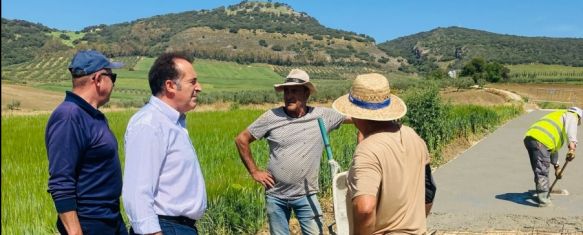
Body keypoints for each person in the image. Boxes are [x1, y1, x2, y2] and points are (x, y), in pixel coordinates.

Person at [235, 69, 350, 235]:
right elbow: (241, 139)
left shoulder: (322, 116)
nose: (288, 95)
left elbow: (358, 119)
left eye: (294, 91)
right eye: (286, 91)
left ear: (306, 93)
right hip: (275, 196)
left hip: (307, 195)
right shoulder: (271, 117)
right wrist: (254, 171)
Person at [332, 73, 436, 234]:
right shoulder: (414, 137)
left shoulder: (367, 150)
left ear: (356, 113)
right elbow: (429, 192)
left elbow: (365, 209)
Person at [123, 52, 206, 234]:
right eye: (192, 82)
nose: (198, 88)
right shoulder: (150, 124)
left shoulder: (171, 123)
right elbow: (137, 192)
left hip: (178, 227)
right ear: (170, 86)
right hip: (165, 227)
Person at [46, 50, 127, 235]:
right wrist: (75, 232)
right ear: (98, 79)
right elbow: (61, 182)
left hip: (110, 219)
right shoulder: (69, 117)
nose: (114, 83)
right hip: (90, 223)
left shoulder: (92, 116)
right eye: (112, 77)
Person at [524, 106, 581, 207]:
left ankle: (542, 195)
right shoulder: (572, 115)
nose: (577, 123)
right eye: (579, 122)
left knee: (538, 169)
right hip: (540, 141)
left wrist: (557, 168)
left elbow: (553, 151)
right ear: (579, 116)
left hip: (531, 138)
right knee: (542, 171)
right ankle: (544, 201)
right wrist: (572, 147)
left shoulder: (557, 117)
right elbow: (571, 130)